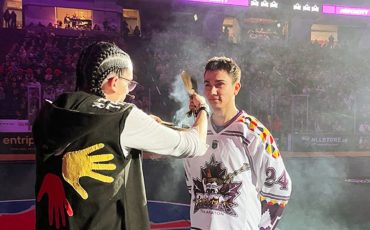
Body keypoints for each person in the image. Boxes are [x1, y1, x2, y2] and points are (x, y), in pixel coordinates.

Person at [32, 41, 209, 230]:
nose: (129, 92)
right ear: (113, 82)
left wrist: (143, 127)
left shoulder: (49, 113)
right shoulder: (122, 117)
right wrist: (203, 109)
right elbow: (193, 144)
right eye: (129, 83)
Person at [184, 57, 292, 230]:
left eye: (219, 84)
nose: (212, 91)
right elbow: (192, 185)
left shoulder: (255, 133)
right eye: (207, 84)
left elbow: (280, 188)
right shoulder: (196, 132)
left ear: (236, 88)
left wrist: (262, 227)